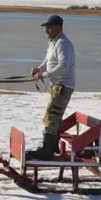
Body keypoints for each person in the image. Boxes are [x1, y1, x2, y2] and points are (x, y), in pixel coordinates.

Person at [26, 14, 75, 160]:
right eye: (45, 28)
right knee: (54, 116)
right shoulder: (54, 42)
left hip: (63, 84)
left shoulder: (62, 43)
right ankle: (51, 146)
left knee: (51, 115)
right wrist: (39, 69)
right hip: (57, 84)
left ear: (58, 28)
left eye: (49, 28)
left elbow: (63, 67)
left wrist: (44, 75)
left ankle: (47, 151)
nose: (46, 31)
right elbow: (48, 60)